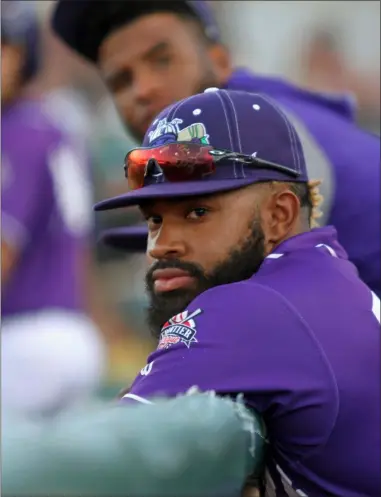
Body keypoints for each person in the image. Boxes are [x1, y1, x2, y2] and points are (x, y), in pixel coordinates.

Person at [92, 89, 380, 497]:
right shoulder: (325, 274)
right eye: (154, 219)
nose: (159, 244)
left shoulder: (249, 307)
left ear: (279, 214)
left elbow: (91, 469)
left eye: (197, 212)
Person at [51, 0, 381, 297]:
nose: (143, 89)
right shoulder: (227, 141)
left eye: (162, 60)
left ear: (220, 61)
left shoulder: (260, 131)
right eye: (122, 81)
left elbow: (269, 305)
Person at [1, 1, 105, 418]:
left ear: (23, 55)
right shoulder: (49, 123)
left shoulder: (17, 130)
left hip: (27, 342)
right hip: (68, 337)